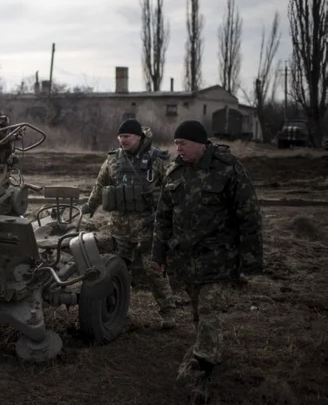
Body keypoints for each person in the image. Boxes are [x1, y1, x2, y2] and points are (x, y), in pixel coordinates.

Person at [152, 120, 263, 403]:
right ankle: (206, 350)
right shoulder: (174, 171)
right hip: (186, 259)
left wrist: (250, 259)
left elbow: (248, 214)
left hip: (219, 257)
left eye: (183, 143)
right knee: (198, 312)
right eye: (176, 143)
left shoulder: (228, 168)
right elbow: (163, 217)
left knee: (210, 309)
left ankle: (204, 366)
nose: (178, 148)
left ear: (201, 144)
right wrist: (159, 254)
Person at [81, 119, 177, 329]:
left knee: (153, 270)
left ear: (139, 137)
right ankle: (118, 313)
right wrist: (89, 206)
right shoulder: (113, 161)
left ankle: (169, 313)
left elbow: (173, 187)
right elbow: (100, 185)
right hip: (120, 228)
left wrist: (174, 215)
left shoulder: (156, 159)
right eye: (120, 137)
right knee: (117, 271)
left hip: (148, 227)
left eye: (127, 137)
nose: (123, 140)